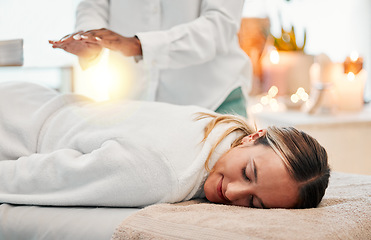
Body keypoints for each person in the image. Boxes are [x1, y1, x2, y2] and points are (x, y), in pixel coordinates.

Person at [0, 82, 330, 209]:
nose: (233, 193)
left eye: (255, 203)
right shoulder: (162, 173)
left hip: (30, 97)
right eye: (248, 173)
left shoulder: (215, 124)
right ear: (255, 136)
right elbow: (44, 177)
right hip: (14, 130)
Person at [49, 0, 252, 117]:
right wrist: (90, 39)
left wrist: (140, 45)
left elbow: (220, 24)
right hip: (131, 104)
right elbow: (93, 5)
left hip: (213, 102)